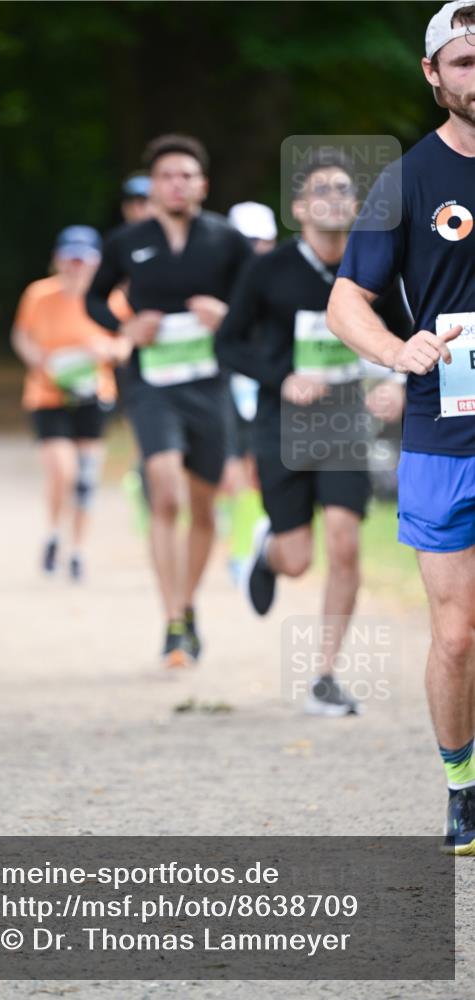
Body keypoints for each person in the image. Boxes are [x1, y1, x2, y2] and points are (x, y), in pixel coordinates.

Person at [327, 1, 475, 852]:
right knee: (456, 633)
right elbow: (347, 299)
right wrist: (397, 349)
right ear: (431, 75)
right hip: (445, 430)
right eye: (462, 62)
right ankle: (461, 781)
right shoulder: (407, 180)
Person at [217, 148, 411, 716]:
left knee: (346, 542)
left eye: (344, 191)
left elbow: (405, 337)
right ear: (299, 206)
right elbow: (228, 344)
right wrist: (283, 377)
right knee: (299, 558)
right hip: (283, 427)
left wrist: (396, 381)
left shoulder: (374, 266)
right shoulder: (268, 270)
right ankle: (268, 550)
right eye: (321, 190)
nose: (334, 199)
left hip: (348, 427)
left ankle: (324, 675)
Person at [86, 134, 252, 668]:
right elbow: (93, 296)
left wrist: (226, 315)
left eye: (186, 175)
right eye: (166, 176)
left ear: (202, 184)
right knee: (165, 492)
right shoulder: (127, 241)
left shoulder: (227, 239)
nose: (176, 184)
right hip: (151, 383)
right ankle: (172, 620)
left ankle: (187, 606)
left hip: (209, 384)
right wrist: (126, 324)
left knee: (203, 505)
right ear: (153, 187)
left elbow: (257, 301)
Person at [12, 227, 128, 581]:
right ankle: (53, 532)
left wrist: (104, 350)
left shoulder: (111, 299)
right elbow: (22, 336)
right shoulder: (39, 294)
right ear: (58, 259)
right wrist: (42, 361)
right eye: (70, 258)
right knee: (64, 470)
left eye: (83, 259)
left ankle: (77, 550)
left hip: (94, 394)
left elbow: (124, 345)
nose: (76, 266)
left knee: (86, 479)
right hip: (48, 393)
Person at [219, 202, 278, 583]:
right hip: (225, 384)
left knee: (260, 470)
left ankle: (250, 544)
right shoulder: (215, 280)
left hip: (268, 386)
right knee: (229, 471)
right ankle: (236, 550)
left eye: (262, 240)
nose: (256, 248)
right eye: (248, 240)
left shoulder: (282, 280)